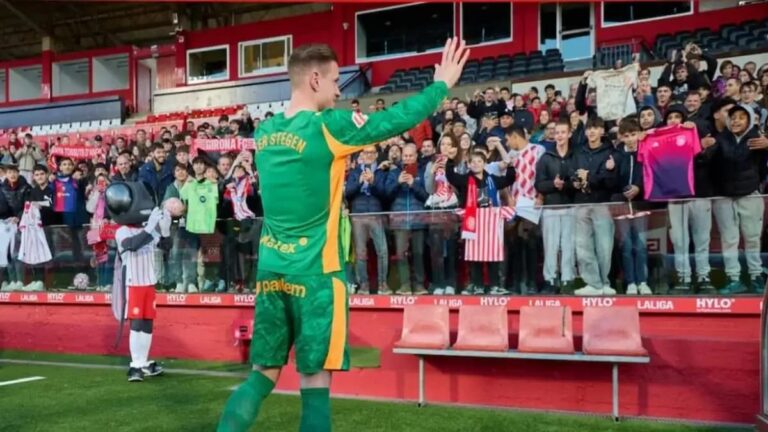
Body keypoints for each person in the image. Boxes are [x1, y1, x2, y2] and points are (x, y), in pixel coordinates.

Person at [216, 38, 469, 432]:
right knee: (315, 384)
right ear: (314, 79)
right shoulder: (327, 127)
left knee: (262, 374)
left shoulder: (264, 133)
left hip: (271, 270)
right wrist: (441, 86)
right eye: (335, 81)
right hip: (317, 272)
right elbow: (393, 120)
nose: (339, 91)